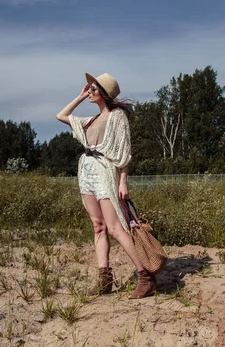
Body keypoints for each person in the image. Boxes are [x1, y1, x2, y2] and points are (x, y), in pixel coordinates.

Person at [56, 72, 156, 299]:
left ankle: (145, 276)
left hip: (105, 172)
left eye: (92, 89)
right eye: (88, 88)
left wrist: (123, 180)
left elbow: (123, 151)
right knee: (98, 227)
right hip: (87, 173)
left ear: (104, 93)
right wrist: (80, 97)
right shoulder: (90, 120)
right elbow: (61, 116)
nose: (89, 91)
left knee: (115, 228)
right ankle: (105, 281)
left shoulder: (117, 116)